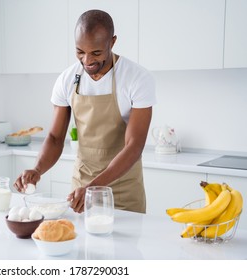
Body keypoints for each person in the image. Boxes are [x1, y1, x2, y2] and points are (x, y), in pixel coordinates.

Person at [13, 9, 156, 214]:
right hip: (81, 188)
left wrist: (94, 188)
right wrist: (37, 170)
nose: (87, 60)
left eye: (96, 52)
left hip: (124, 191)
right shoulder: (67, 79)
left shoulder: (137, 78)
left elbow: (134, 146)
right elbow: (54, 138)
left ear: (112, 42)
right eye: (80, 51)